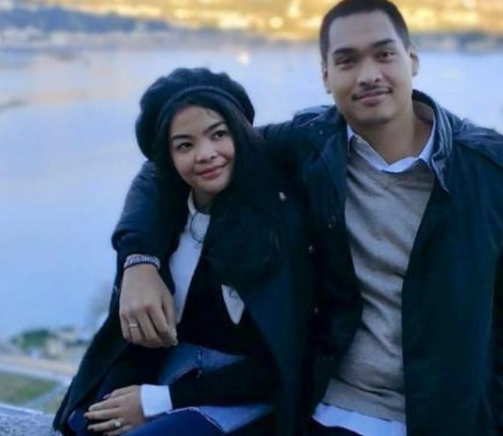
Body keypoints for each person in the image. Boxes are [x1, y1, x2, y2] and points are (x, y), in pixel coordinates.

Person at [110, 0, 503, 435]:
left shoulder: (501, 173)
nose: (368, 74)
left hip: (445, 419)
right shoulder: (309, 146)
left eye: (384, 54)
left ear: (412, 60)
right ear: (326, 76)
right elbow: (170, 167)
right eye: (347, 61)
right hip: (325, 409)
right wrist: (139, 261)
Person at [52, 68, 316, 435]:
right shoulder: (164, 220)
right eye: (185, 145)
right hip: (176, 372)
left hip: (244, 396)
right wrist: (122, 396)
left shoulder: (279, 221)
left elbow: (282, 360)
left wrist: (157, 401)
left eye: (218, 134)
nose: (206, 154)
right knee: (85, 424)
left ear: (239, 133)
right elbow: (138, 344)